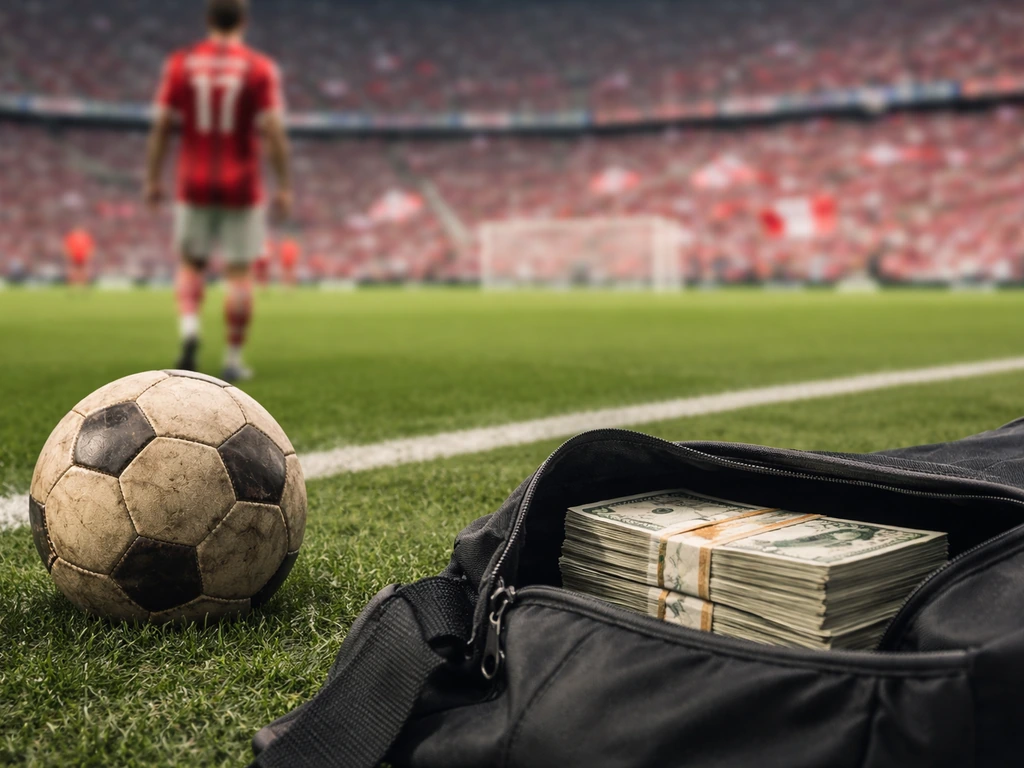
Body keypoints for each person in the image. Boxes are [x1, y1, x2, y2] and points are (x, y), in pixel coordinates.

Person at [144, 0, 292, 381]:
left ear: (208, 19)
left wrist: (153, 178)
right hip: (242, 183)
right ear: (244, 21)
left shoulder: (181, 62)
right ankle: (232, 358)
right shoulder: (259, 67)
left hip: (193, 180)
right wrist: (284, 185)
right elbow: (273, 131)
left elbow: (162, 125)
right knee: (240, 273)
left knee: (191, 262)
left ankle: (191, 332)